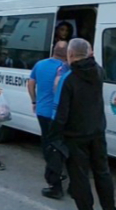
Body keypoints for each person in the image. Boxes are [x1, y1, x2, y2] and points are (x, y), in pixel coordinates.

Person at [49, 38, 115, 210]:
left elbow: (59, 112)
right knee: (103, 172)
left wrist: (54, 136)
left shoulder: (68, 78)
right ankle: (109, 206)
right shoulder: (99, 71)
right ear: (89, 53)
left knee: (80, 177)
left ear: (70, 54)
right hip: (97, 130)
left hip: (75, 136)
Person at [27, 41, 68, 199]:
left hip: (42, 111)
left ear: (53, 51)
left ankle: (53, 172)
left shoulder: (40, 64)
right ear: (66, 54)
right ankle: (58, 174)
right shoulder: (66, 69)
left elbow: (30, 84)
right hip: (58, 113)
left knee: (47, 143)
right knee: (59, 145)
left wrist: (34, 101)